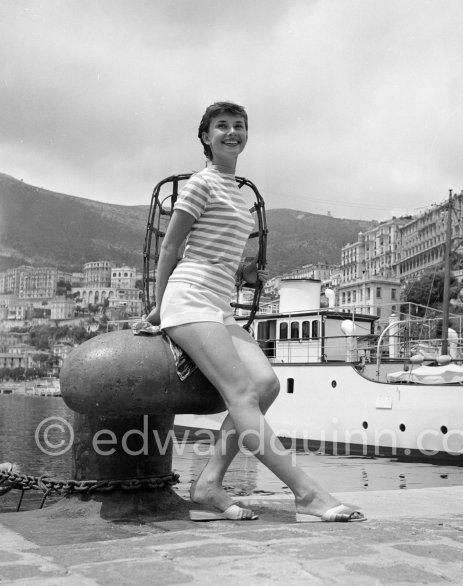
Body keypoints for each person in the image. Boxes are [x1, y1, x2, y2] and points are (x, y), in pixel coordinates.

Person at [147, 101, 363, 523]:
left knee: (266, 385)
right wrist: (157, 309)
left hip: (218, 302)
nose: (232, 132)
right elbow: (171, 248)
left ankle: (208, 484)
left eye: (239, 126)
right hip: (189, 297)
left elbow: (215, 249)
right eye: (222, 126)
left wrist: (243, 271)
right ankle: (307, 494)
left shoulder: (237, 192)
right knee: (242, 393)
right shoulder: (199, 184)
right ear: (206, 138)